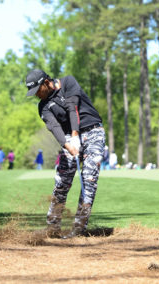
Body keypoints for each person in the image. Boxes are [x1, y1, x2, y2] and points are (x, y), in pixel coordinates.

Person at [25, 69, 105, 239]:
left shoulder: (68, 82)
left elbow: (72, 107)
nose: (37, 95)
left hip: (93, 131)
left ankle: (79, 228)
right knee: (61, 182)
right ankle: (52, 227)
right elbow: (54, 127)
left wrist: (76, 134)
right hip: (68, 138)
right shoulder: (43, 107)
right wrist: (68, 145)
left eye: (38, 90)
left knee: (89, 179)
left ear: (46, 82)